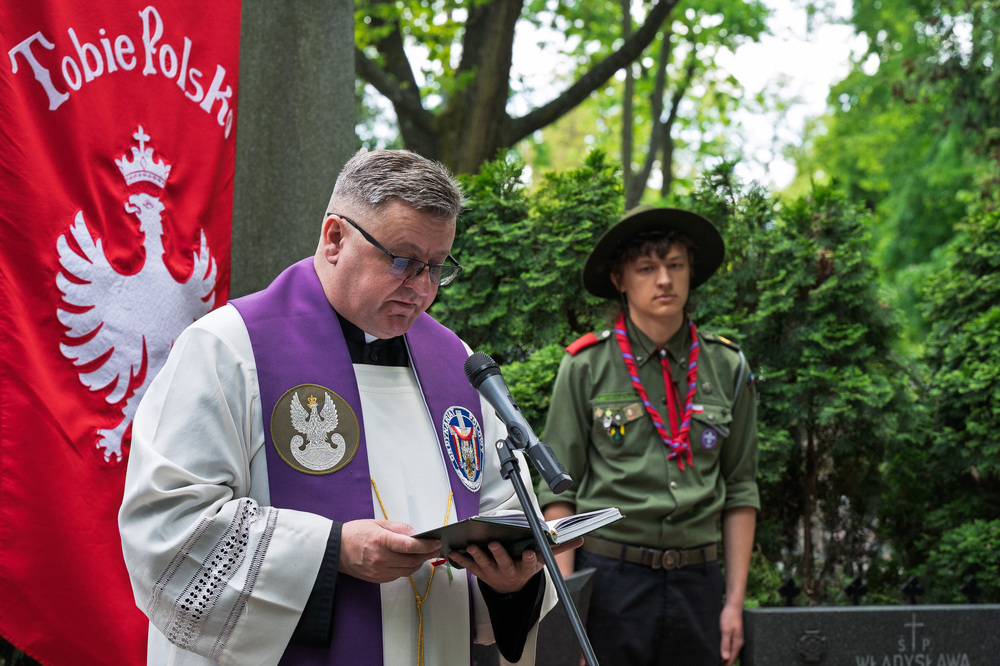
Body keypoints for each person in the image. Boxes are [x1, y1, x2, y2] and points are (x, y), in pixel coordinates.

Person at [119, 149, 575, 665]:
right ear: (335, 238)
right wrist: (332, 551)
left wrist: (510, 582)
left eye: (436, 267)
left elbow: (504, 506)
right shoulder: (229, 349)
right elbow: (168, 531)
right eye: (403, 262)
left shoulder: (458, 365)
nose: (423, 290)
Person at [536, 205, 759, 666]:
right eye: (647, 268)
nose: (664, 280)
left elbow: (740, 489)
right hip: (613, 581)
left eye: (675, 266)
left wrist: (733, 602)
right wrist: (568, 609)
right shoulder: (585, 366)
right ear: (620, 279)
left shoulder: (728, 367)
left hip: (699, 582)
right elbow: (559, 492)